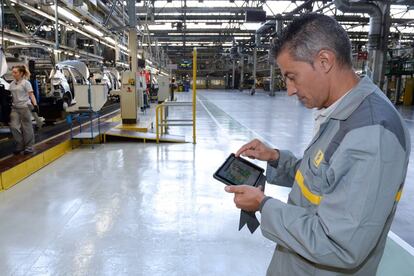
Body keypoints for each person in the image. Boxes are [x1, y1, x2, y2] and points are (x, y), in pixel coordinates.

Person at [225, 14, 410, 276]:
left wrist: (264, 206)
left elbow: (339, 244)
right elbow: (324, 177)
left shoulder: (372, 134)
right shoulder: (341, 111)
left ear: (324, 61)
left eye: (292, 76)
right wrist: (276, 158)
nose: (289, 89)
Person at [9, 65, 38, 154]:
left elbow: (31, 94)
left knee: (27, 127)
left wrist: (35, 104)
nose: (13, 74)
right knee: (14, 126)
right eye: (12, 72)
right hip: (14, 108)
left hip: (25, 107)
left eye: (15, 72)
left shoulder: (26, 83)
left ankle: (29, 147)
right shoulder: (12, 83)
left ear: (21, 73)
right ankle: (20, 145)